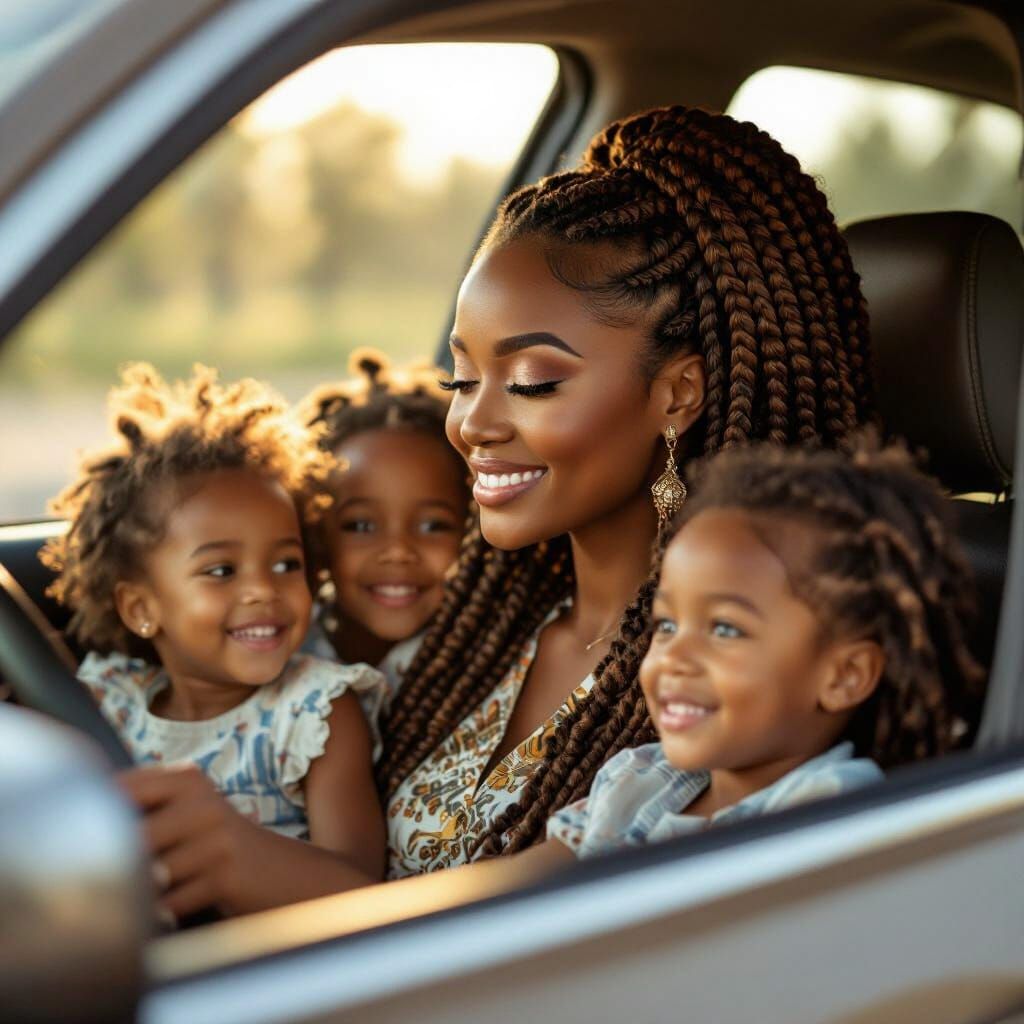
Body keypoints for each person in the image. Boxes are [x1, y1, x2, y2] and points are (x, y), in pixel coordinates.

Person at [379, 104, 880, 876]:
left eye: (533, 382)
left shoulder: (718, 689)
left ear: (678, 394)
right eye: (463, 377)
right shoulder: (470, 632)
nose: (472, 423)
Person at [42, 364, 387, 917]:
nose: (262, 591)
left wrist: (240, 856)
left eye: (285, 563)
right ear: (141, 609)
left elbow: (362, 890)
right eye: (221, 571)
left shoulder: (314, 713)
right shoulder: (107, 701)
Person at [536, 438, 983, 861]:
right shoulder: (637, 780)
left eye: (726, 630)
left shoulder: (830, 816)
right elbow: (508, 892)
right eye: (667, 624)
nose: (673, 656)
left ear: (844, 676)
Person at [299, 349, 470, 704]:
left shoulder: (479, 664)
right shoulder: (284, 651)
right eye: (361, 525)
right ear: (316, 533)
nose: (397, 551)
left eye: (433, 525)